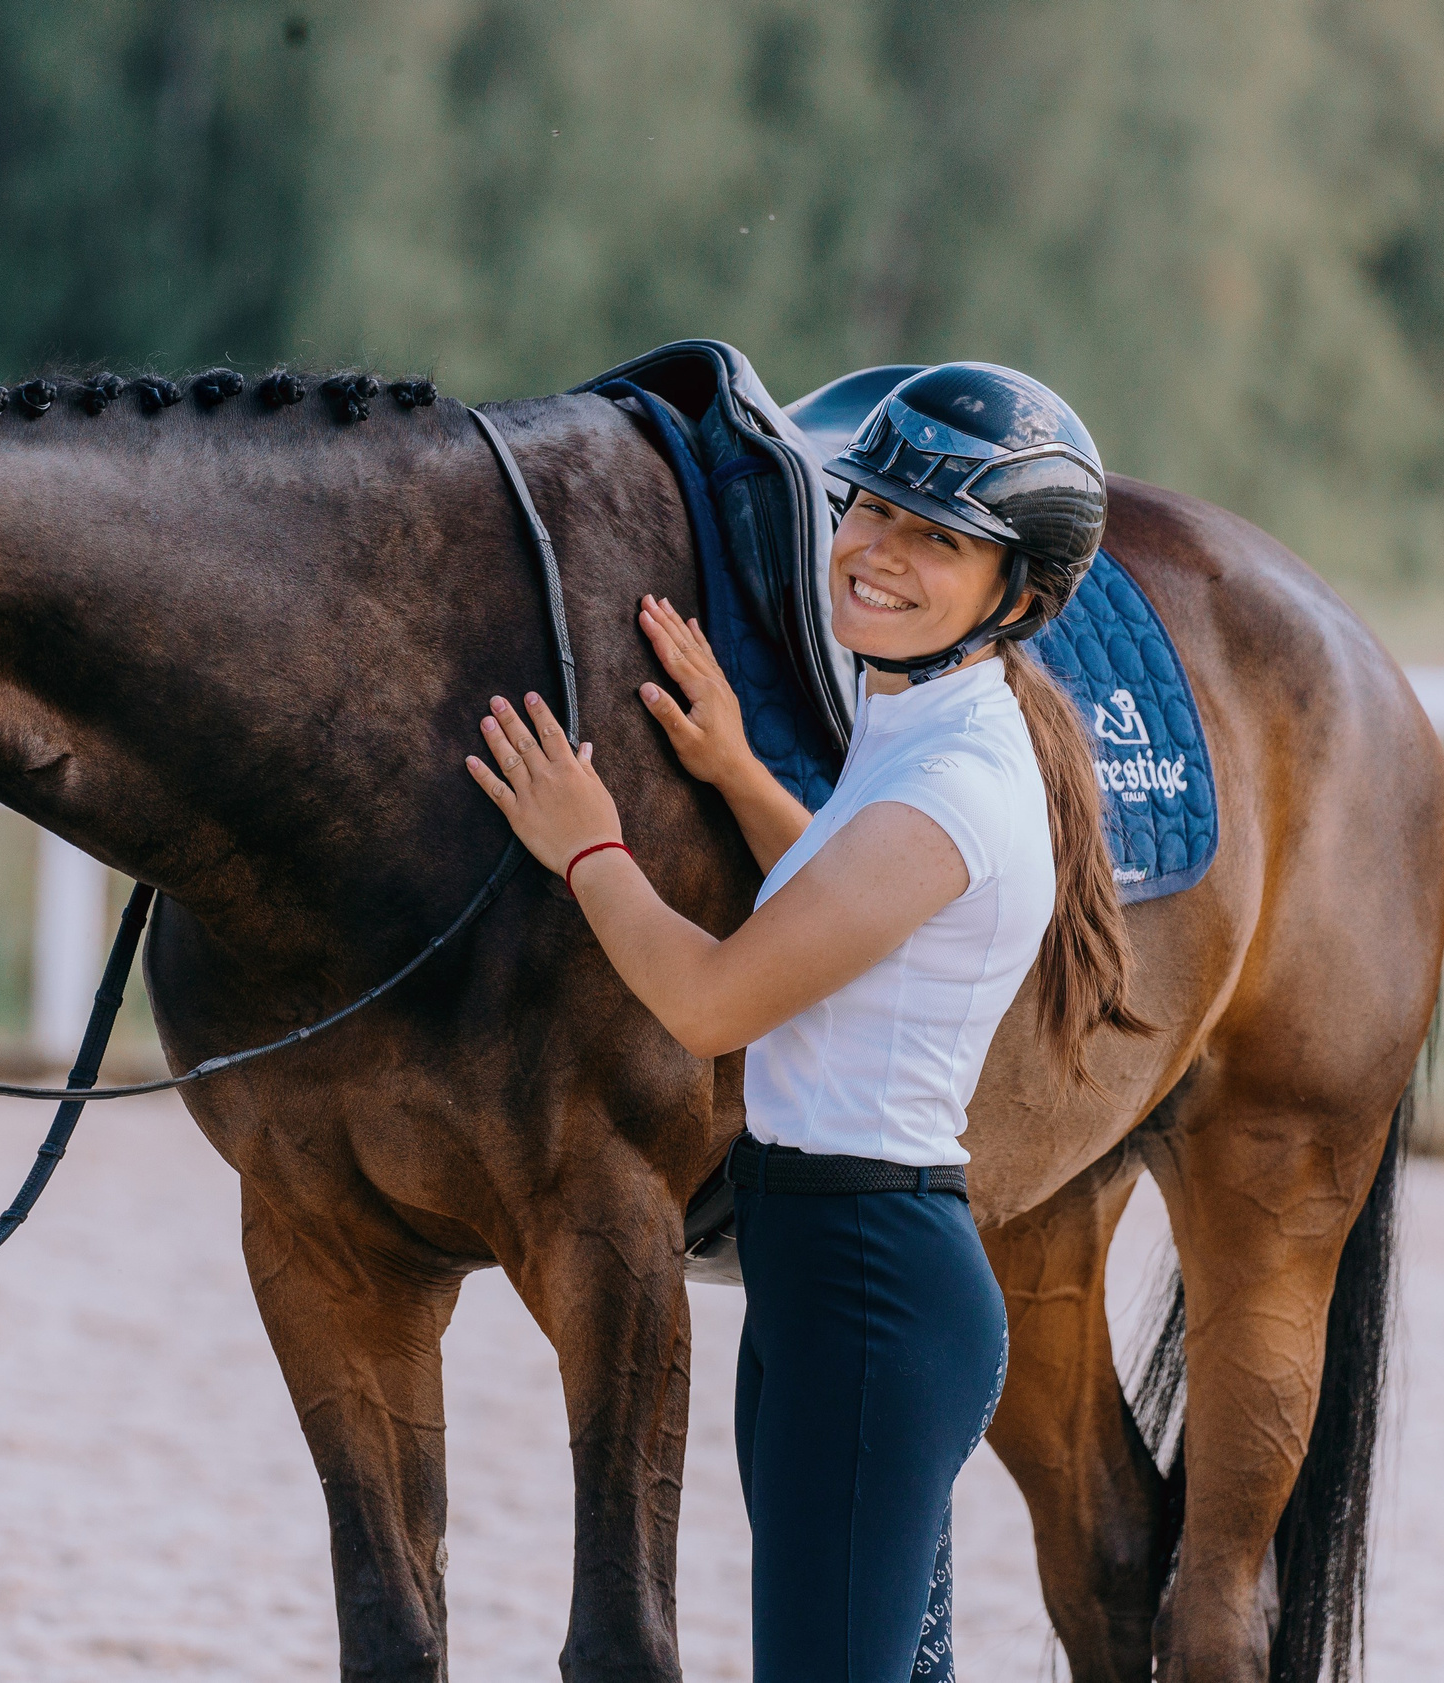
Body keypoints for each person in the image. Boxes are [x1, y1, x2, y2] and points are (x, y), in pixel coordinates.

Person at [463, 363, 1145, 1682]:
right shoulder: (933, 725)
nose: (877, 552)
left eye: (936, 539)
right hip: (826, 1273)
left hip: (868, 1294)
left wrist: (587, 845)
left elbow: (713, 998)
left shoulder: (950, 784)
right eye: (873, 510)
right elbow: (843, 893)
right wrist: (734, 768)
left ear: (1015, 594)